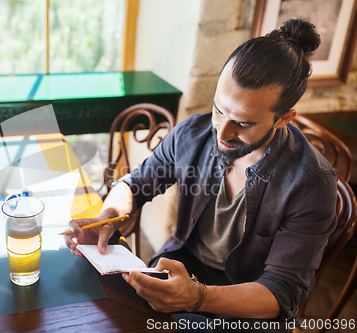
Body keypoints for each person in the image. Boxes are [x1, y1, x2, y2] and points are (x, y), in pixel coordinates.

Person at [65, 18, 337, 332]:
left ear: (283, 119)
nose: (222, 132)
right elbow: (135, 185)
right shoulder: (193, 134)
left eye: (244, 124)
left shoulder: (312, 184)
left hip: (249, 307)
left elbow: (281, 290)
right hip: (182, 271)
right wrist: (109, 216)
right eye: (219, 109)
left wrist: (196, 298)